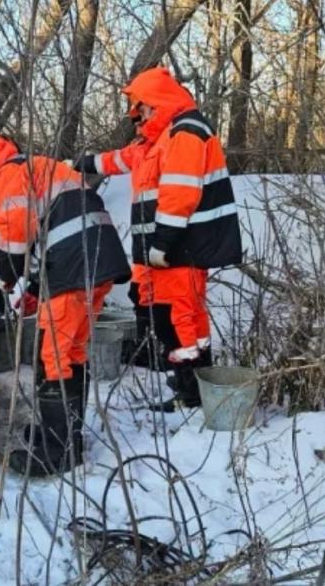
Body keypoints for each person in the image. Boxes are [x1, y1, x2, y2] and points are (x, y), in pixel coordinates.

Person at [0, 130, 130, 476]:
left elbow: (17, 235)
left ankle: (59, 450)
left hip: (74, 265)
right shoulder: (41, 167)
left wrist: (4, 276)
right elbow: (54, 229)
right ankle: (65, 435)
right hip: (95, 262)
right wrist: (37, 287)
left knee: (55, 358)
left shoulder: (9, 173)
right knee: (72, 352)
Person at [74, 66, 242, 411]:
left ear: (157, 102)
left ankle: (191, 391)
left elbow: (180, 195)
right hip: (163, 252)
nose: (139, 117)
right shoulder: (156, 141)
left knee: (179, 318)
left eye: (143, 109)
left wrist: (162, 244)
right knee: (170, 315)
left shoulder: (185, 134)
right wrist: (82, 163)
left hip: (179, 249)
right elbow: (120, 159)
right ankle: (192, 379)